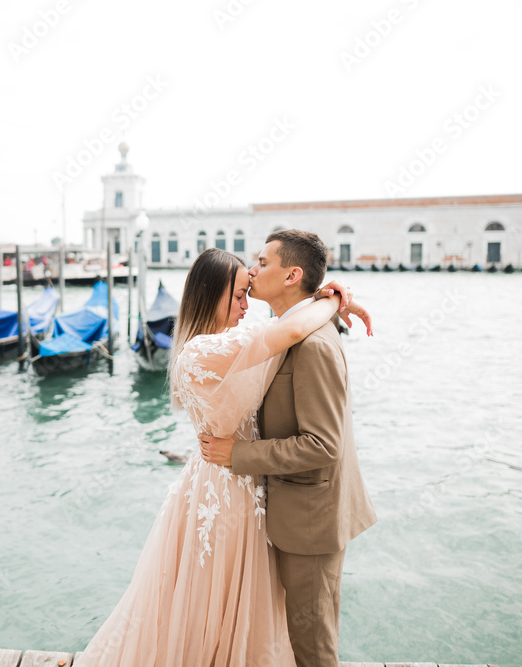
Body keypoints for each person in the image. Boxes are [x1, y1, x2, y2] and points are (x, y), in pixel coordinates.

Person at [78, 246, 370, 666]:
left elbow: (283, 328)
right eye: (237, 296)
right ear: (209, 294)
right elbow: (287, 331)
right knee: (213, 599)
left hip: (243, 481)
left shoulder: (230, 342)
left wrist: (323, 299)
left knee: (239, 604)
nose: (245, 306)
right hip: (225, 487)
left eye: (247, 294)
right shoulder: (202, 352)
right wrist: (333, 300)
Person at [199, 230, 378, 667]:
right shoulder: (288, 328)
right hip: (290, 512)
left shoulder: (313, 344)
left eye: (263, 262)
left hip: (310, 522)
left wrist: (235, 456)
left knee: (313, 647)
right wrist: (333, 299)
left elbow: (322, 445)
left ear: (291, 275)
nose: (253, 269)